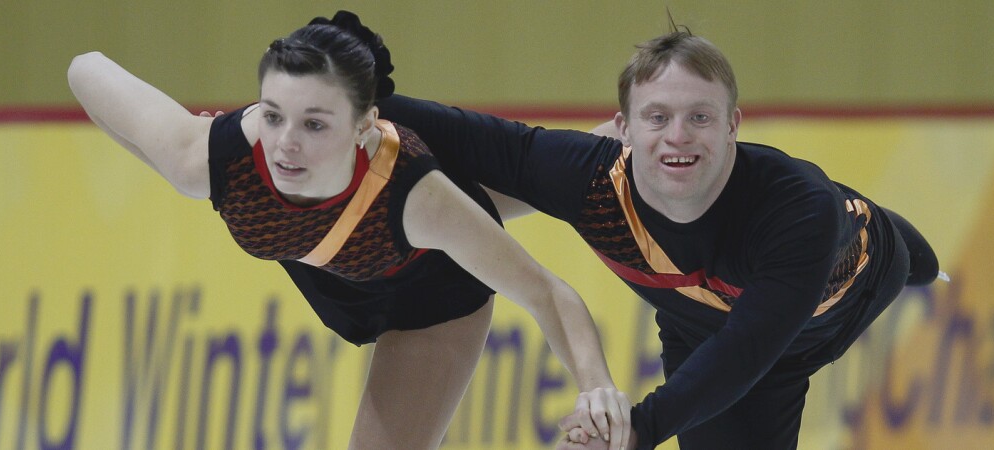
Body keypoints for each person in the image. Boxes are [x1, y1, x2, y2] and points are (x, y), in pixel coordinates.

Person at [66, 11, 632, 450]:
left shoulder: (416, 194)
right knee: (458, 208)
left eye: (314, 123)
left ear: (364, 125)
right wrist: (169, 161)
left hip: (433, 297)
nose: (287, 142)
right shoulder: (214, 162)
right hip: (349, 263)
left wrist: (597, 387)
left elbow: (547, 293)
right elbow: (83, 66)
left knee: (534, 177)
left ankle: (624, 141)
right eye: (273, 114)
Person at [376, 27, 940, 450]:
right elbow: (461, 134)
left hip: (842, 287)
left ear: (732, 126)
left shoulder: (795, 209)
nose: (678, 137)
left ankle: (900, 239)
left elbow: (745, 350)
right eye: (657, 117)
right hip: (702, 325)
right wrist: (346, 87)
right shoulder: (593, 180)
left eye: (700, 117)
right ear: (622, 128)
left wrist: (635, 431)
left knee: (910, 257)